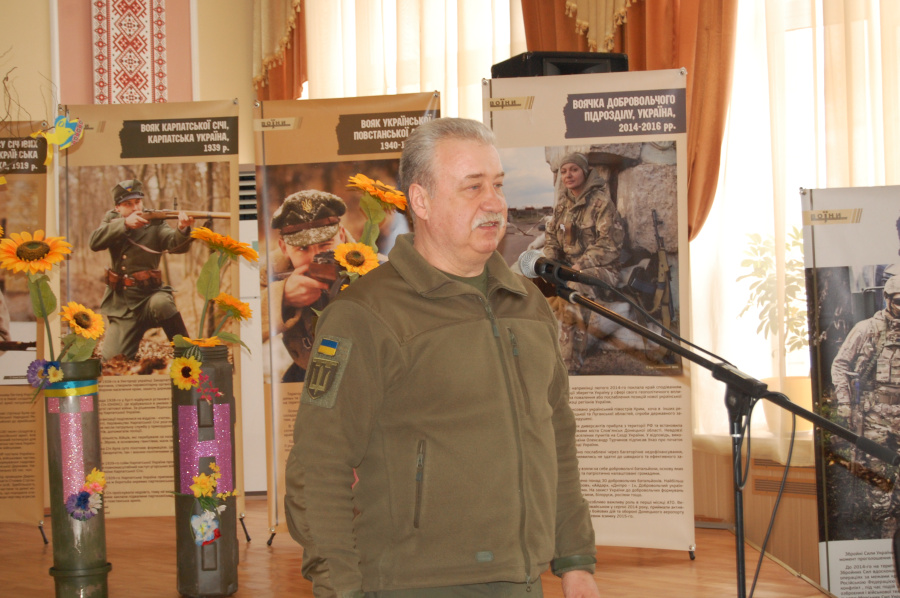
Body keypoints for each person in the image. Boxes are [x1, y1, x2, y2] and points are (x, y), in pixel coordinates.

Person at [284, 118, 600, 598]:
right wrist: (339, 588)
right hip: (413, 583)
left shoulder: (527, 304)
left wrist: (575, 559)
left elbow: (555, 434)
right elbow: (318, 466)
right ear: (421, 201)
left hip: (522, 579)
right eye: (473, 187)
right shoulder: (364, 315)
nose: (494, 202)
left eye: (497, 185)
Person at [89, 179, 194, 361]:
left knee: (162, 303)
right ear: (117, 208)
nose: (135, 208)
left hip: (149, 298)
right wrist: (124, 225)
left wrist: (182, 228)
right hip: (122, 306)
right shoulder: (112, 220)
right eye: (128, 204)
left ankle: (188, 355)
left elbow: (174, 244)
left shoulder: (154, 222)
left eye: (137, 202)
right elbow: (94, 242)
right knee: (112, 361)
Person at [542, 152, 626, 374]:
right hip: (569, 268)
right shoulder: (562, 205)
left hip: (601, 268)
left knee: (574, 288)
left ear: (585, 172)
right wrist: (548, 265)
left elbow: (609, 245)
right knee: (534, 281)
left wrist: (580, 265)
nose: (568, 175)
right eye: (564, 171)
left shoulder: (601, 203)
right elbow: (552, 240)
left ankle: (570, 366)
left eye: (574, 170)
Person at [831, 274, 900, 536]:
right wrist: (845, 402)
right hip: (875, 416)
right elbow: (840, 365)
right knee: (876, 471)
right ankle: (884, 524)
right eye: (899, 301)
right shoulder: (867, 329)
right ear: (887, 299)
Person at [263, 190, 349, 383]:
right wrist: (282, 297)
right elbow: (231, 328)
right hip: (307, 371)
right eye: (302, 248)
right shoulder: (268, 272)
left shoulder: (374, 265)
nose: (314, 258)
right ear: (284, 248)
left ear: (342, 236)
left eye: (325, 245)